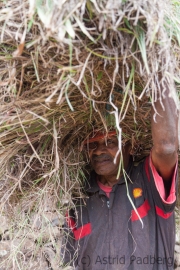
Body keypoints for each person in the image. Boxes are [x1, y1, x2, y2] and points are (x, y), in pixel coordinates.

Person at [61, 85, 179, 270]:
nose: (99, 150)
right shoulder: (78, 200)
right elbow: (71, 263)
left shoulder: (148, 182)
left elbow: (166, 148)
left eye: (110, 142)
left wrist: (160, 79)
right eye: (92, 144)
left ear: (129, 146)